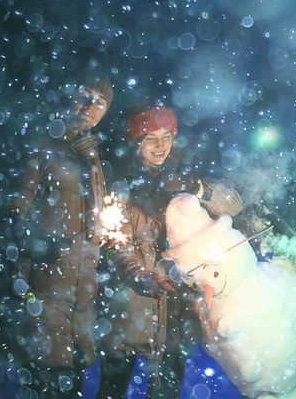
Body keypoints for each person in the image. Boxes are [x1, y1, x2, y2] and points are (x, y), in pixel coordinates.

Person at [97, 105, 243, 399]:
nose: (160, 146)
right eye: (150, 138)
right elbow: (114, 245)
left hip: (175, 312)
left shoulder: (184, 174)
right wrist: (142, 278)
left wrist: (195, 187)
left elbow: (234, 205)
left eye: (167, 136)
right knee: (112, 388)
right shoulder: (117, 184)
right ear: (136, 141)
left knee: (166, 390)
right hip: (129, 309)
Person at [0, 72, 113, 398]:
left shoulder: (93, 159)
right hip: (41, 300)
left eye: (101, 102)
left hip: (81, 307)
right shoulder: (40, 145)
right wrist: (35, 245)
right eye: (85, 95)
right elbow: (10, 215)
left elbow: (98, 229)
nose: (92, 106)